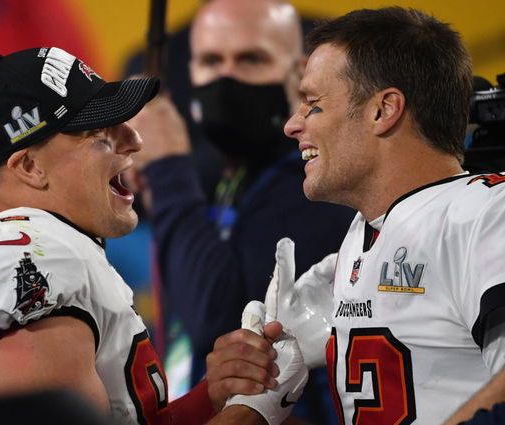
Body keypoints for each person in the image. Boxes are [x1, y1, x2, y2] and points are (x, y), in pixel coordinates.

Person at [0, 46, 308, 425]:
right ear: (29, 166)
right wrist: (250, 413)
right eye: (101, 134)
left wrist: (210, 397)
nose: (134, 141)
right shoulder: (33, 260)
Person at [208, 6, 505, 425]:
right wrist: (257, 403)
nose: (293, 124)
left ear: (383, 111)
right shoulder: (363, 235)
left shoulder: (485, 212)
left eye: (313, 104)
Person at [126, 1, 354, 421]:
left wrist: (168, 168)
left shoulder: (316, 182)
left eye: (251, 59)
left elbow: (223, 331)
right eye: (211, 60)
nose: (226, 77)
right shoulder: (235, 176)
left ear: (299, 72)